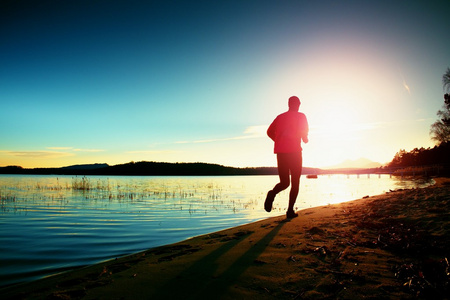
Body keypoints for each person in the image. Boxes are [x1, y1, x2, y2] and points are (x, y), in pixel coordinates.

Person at [265, 96, 309, 218]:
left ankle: (272, 193)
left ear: (289, 104)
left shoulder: (280, 117)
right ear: (298, 104)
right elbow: (304, 131)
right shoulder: (301, 116)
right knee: (295, 182)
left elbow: (269, 132)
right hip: (294, 153)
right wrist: (305, 139)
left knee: (284, 183)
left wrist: (278, 141)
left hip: (281, 153)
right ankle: (290, 211)